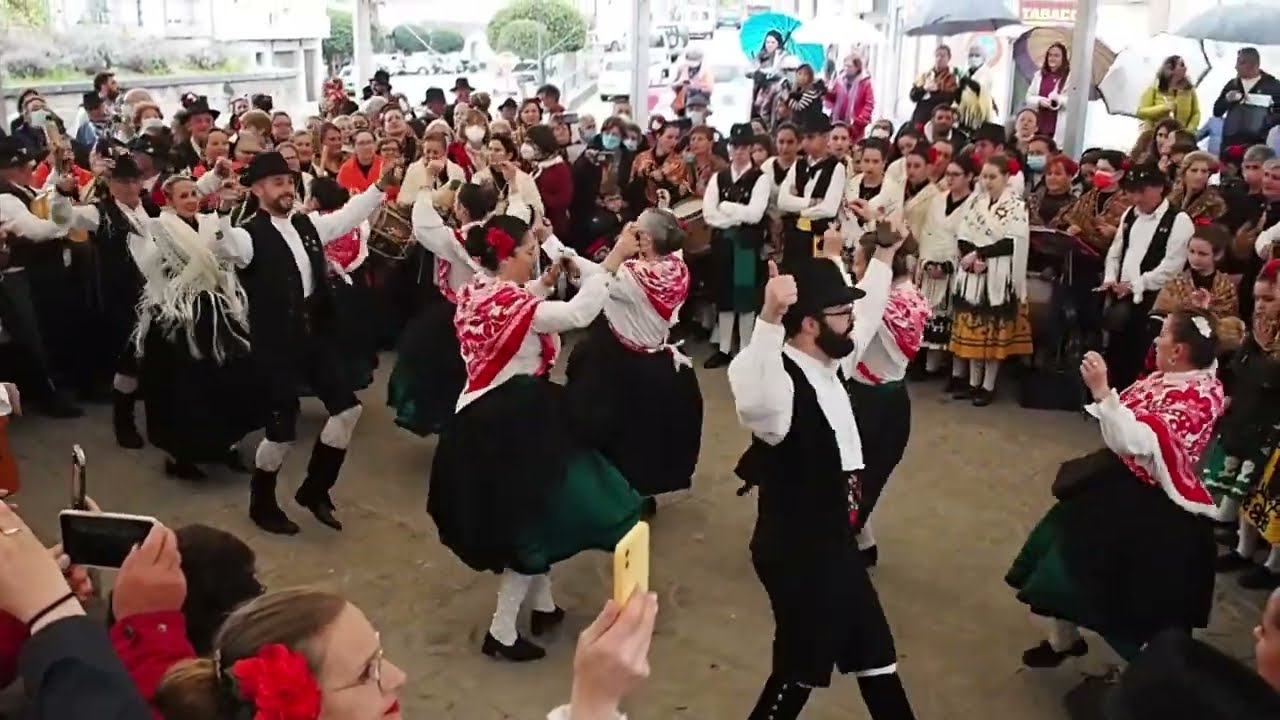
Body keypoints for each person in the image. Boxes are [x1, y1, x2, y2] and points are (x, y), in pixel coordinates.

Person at [427, 214, 642, 662]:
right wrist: (615, 259)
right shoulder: (512, 302)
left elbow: (516, 304)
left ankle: (543, 607)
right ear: (505, 258)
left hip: (479, 414)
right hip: (513, 422)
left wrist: (543, 281)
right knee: (532, 522)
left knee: (536, 514)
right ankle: (501, 632)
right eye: (528, 252)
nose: (533, 257)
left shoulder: (477, 290)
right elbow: (578, 313)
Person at [728, 233, 917, 720]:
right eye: (840, 313)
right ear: (810, 323)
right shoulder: (779, 386)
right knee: (799, 666)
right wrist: (769, 318)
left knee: (875, 656)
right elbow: (750, 394)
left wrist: (882, 256)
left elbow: (870, 310)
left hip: (834, 543)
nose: (852, 321)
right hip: (798, 551)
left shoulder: (832, 361)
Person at [1006, 314, 1226, 666]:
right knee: (1061, 560)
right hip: (1115, 483)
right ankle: (1064, 640)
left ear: (1180, 351)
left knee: (1124, 594)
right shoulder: (1196, 372)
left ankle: (1147, 678)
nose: (1156, 340)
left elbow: (1131, 441)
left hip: (1148, 505)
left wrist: (1102, 391)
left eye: (1164, 335)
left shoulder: (1191, 400)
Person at [213, 151, 395, 535]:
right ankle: (261, 502)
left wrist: (380, 186)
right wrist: (221, 212)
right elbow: (223, 247)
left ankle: (315, 489)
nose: (287, 188)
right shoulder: (248, 235)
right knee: (281, 434)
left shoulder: (306, 225)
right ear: (258, 189)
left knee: (347, 411)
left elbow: (347, 217)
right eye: (277, 182)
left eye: (289, 181)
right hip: (275, 345)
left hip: (314, 336)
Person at [565, 211, 702, 518]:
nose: (628, 228)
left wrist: (615, 250)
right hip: (659, 366)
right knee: (647, 439)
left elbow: (596, 283)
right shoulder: (675, 266)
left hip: (626, 366)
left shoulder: (632, 279)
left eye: (635, 228)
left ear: (647, 240)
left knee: (621, 438)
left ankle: (622, 500)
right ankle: (639, 496)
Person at [132, 175, 261, 479]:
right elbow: (153, 268)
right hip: (178, 315)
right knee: (181, 389)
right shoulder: (159, 228)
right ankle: (182, 456)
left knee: (229, 380)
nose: (191, 200)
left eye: (193, 194)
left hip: (218, 310)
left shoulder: (210, 222)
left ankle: (226, 445)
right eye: (183, 196)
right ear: (170, 201)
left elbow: (227, 256)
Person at [845, 225, 930, 567]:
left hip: (868, 403)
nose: (854, 266)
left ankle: (847, 543)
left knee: (851, 478)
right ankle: (864, 543)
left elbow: (850, 310)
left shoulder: (876, 304)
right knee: (864, 479)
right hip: (894, 401)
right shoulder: (911, 294)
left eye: (857, 260)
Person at [387, 183, 499, 436]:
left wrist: (426, 187)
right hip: (491, 313)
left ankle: (453, 421)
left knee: (435, 363)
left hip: (459, 314)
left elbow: (423, 222)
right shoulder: (498, 235)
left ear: (461, 209)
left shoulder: (454, 240)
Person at [948, 154, 1034, 405]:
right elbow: (962, 232)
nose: (987, 182)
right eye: (984, 176)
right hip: (974, 272)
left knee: (993, 333)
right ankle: (973, 383)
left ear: (1006, 178)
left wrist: (981, 252)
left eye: (993, 177)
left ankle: (988, 385)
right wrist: (969, 255)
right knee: (974, 332)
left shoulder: (1017, 206)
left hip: (998, 273)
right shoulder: (976, 203)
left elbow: (1014, 241)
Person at [1100, 164, 1195, 391]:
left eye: (1142, 191)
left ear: (1160, 188)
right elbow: (1116, 250)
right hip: (1121, 295)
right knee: (1116, 351)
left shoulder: (1178, 220)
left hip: (1153, 299)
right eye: (1132, 191)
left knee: (1141, 355)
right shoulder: (1130, 214)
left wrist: (1136, 285)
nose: (1136, 197)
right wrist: (1110, 277)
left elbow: (1172, 266)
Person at [703, 123, 770, 368]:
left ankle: (745, 349)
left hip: (745, 245)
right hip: (722, 243)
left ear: (751, 148)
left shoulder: (760, 179)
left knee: (744, 297)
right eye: (735, 146)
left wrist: (728, 208)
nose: (739, 151)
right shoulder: (719, 177)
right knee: (724, 295)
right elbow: (709, 214)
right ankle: (723, 348)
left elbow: (755, 214)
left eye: (744, 147)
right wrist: (735, 216)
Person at [919, 155, 977, 381]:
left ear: (970, 176)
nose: (950, 179)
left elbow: (967, 237)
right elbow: (927, 232)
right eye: (948, 174)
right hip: (932, 261)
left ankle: (957, 373)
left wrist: (948, 265)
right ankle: (929, 366)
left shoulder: (975, 204)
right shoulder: (938, 199)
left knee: (955, 318)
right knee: (931, 314)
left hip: (958, 266)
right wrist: (928, 262)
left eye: (956, 174)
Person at [777, 115, 845, 267]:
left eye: (811, 137)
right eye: (804, 138)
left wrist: (798, 209)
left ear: (826, 137)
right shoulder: (798, 165)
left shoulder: (836, 168)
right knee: (792, 274)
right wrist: (811, 202)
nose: (806, 143)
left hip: (821, 234)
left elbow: (829, 208)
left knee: (818, 274)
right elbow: (782, 201)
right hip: (795, 233)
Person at [1214, 48, 1280, 156]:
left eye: (1241, 63)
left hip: (1259, 145)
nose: (1236, 67)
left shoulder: (1273, 86)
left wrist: (1266, 121)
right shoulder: (1232, 84)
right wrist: (1227, 100)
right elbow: (1217, 111)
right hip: (1230, 144)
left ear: (1254, 64)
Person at [1138, 55, 1201, 133]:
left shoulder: (1189, 89)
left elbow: (1196, 113)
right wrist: (1163, 108)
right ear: (1171, 69)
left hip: (1182, 136)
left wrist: (1189, 130)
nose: (1185, 68)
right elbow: (1141, 112)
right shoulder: (1154, 87)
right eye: (1181, 65)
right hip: (1157, 135)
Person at [1025, 42, 1070, 146]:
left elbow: (1072, 102)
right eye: (1050, 55)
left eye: (1056, 55)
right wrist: (1040, 101)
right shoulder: (1040, 75)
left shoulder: (1069, 77)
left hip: (1056, 128)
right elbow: (1029, 97)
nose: (1052, 58)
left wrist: (1057, 99)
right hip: (1038, 126)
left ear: (1063, 58)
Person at [909, 45, 960, 128]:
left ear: (949, 58)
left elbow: (949, 99)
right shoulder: (925, 75)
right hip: (921, 117)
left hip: (940, 119)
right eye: (937, 55)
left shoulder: (952, 78)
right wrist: (924, 89)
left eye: (943, 56)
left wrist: (934, 91)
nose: (939, 58)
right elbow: (913, 96)